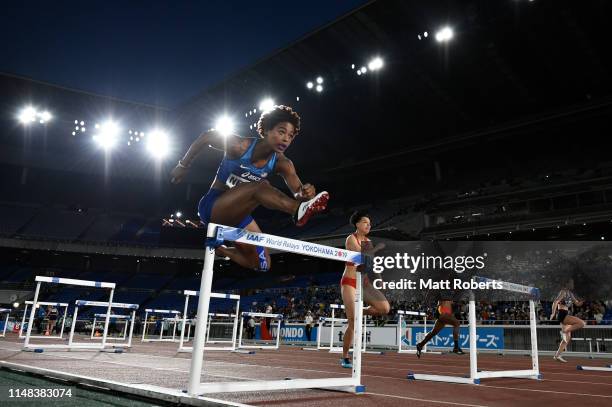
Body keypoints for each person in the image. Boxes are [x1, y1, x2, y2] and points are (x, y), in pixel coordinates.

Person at [170, 105, 329, 271]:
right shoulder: (239, 146)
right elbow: (207, 137)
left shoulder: (284, 164)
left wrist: (306, 193)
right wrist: (183, 165)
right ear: (266, 130)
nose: (286, 139)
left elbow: (298, 191)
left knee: (263, 264)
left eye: (290, 136)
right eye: (281, 132)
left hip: (239, 217)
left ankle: (221, 249)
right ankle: (297, 211)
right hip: (213, 207)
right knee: (260, 186)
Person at [340, 211, 390, 368]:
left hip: (365, 283)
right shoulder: (351, 239)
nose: (369, 225)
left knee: (384, 308)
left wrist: (380, 280)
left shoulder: (368, 241)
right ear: (357, 224)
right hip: (349, 282)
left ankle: (357, 312)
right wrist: (377, 249)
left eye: (370, 223)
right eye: (365, 222)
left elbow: (372, 264)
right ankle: (345, 357)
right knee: (353, 324)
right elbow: (362, 257)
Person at [551, 280, 586, 363]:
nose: (573, 285)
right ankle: (564, 331)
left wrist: (582, 301)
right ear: (567, 284)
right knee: (582, 323)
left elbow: (577, 304)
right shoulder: (563, 292)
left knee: (567, 338)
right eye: (571, 283)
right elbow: (555, 301)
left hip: (565, 313)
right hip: (562, 314)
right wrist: (553, 313)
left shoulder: (570, 294)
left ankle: (557, 355)